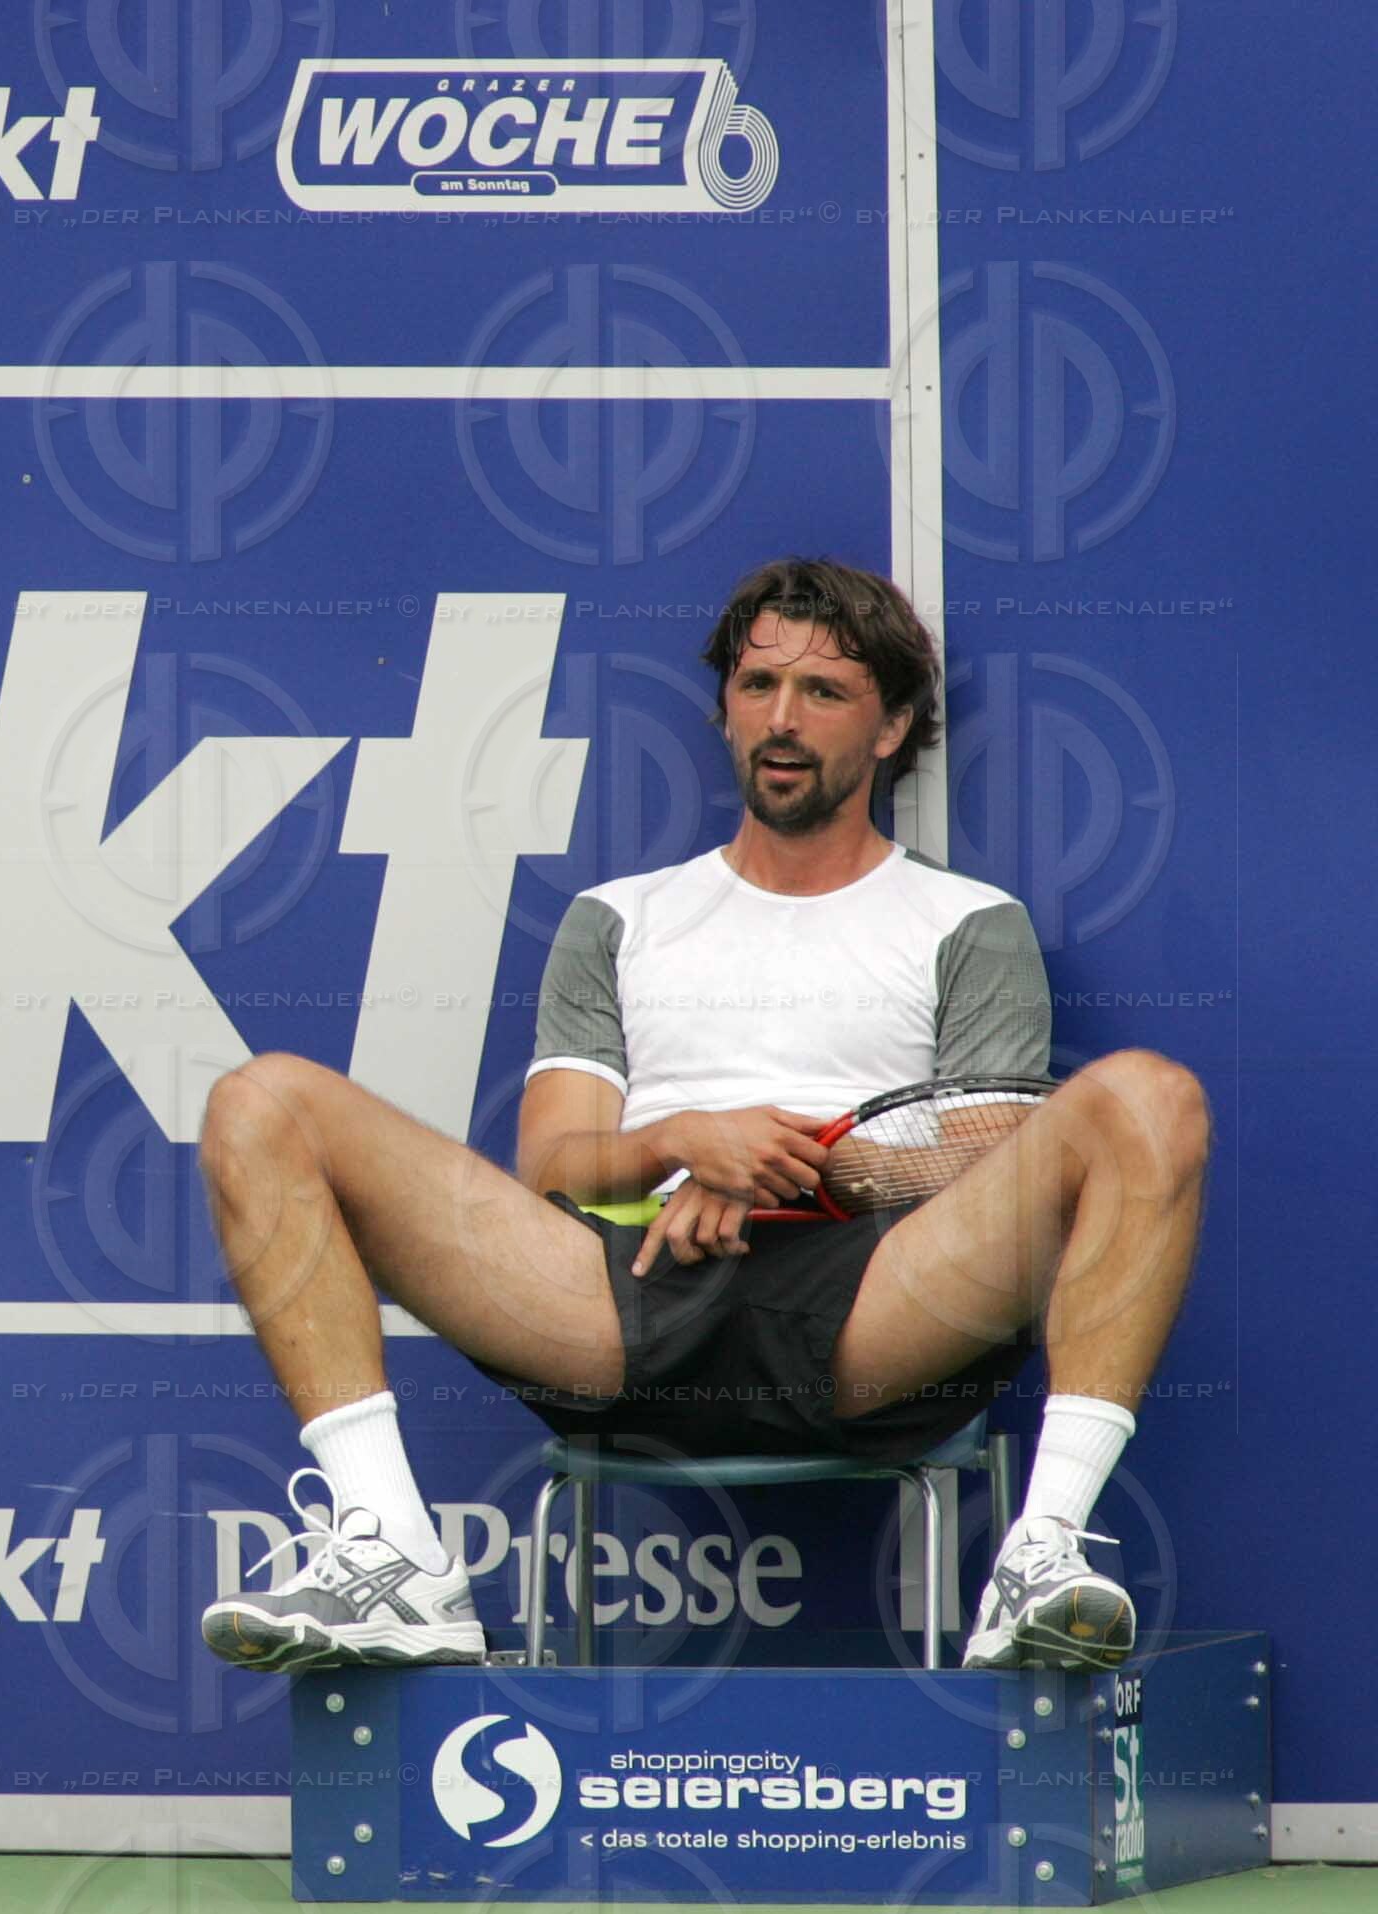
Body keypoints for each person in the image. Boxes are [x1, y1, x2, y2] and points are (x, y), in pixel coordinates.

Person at [194, 558, 1209, 1674]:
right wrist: (686, 1145)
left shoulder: (971, 921)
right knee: (263, 1101)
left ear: (891, 728)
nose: (782, 718)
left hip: (873, 1306)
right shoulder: (619, 917)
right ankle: (394, 1557)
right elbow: (556, 1171)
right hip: (624, 1301)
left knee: (1150, 1100)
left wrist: (795, 1170)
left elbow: (991, 1147)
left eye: (824, 693)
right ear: (724, 703)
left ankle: (1044, 1550)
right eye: (757, 684)